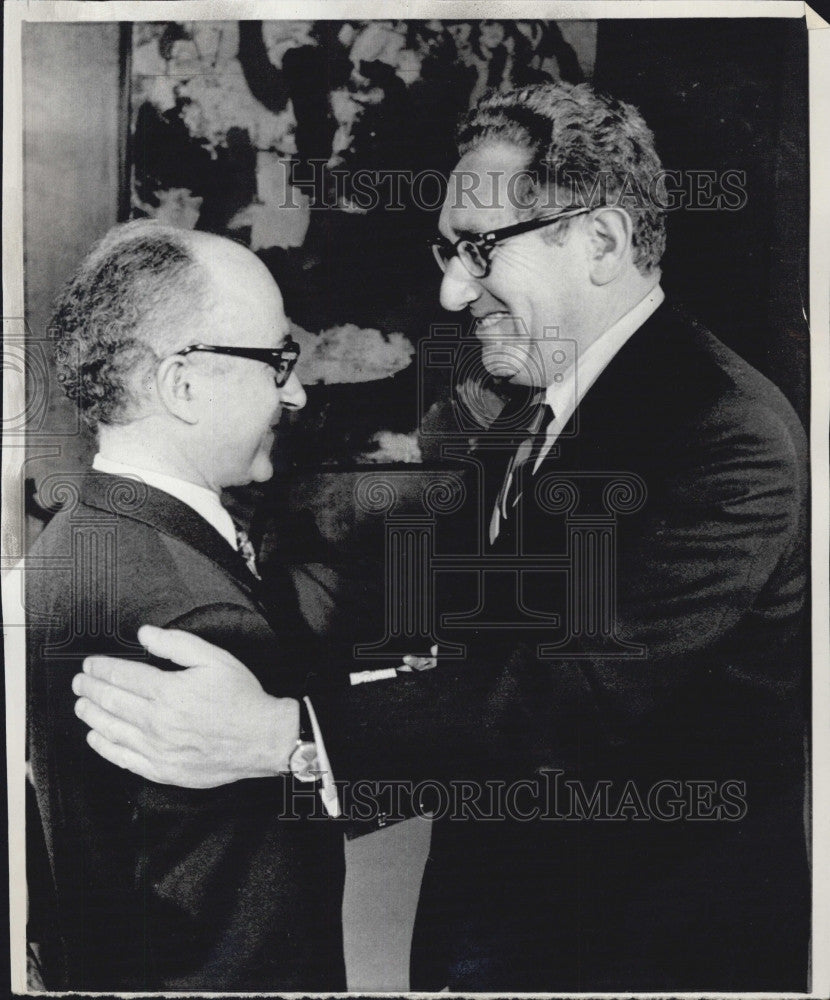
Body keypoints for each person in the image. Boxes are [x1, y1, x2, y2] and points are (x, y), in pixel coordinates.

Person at [72, 83, 810, 991]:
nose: (453, 290)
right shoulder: (531, 402)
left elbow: (573, 696)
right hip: (505, 931)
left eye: (477, 249)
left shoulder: (729, 433)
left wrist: (284, 739)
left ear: (605, 242)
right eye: (447, 250)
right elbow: (480, 655)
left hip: (646, 951)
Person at [25, 220, 351, 991]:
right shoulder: (202, 626)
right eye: (277, 360)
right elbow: (256, 947)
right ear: (183, 383)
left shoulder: (72, 545)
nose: (296, 391)